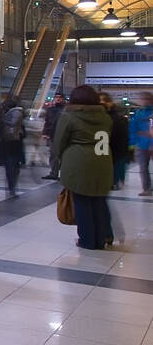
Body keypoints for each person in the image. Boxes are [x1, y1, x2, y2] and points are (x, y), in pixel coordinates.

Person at [54, 85, 114, 250]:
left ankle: (87, 240)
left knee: (81, 201)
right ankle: (101, 238)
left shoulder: (69, 117)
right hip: (103, 160)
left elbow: (59, 143)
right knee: (99, 200)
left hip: (79, 163)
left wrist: (61, 159)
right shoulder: (106, 117)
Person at [98, 92, 130, 190]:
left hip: (115, 152)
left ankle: (114, 181)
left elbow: (123, 139)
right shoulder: (96, 118)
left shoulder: (118, 119)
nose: (101, 104)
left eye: (103, 102)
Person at [0, 94, 27, 196]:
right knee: (11, 163)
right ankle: (12, 185)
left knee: (12, 163)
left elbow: (13, 123)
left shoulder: (15, 112)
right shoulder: (15, 112)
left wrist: (3, 119)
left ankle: (12, 185)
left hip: (13, 140)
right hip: (12, 140)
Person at [131, 91, 153, 196]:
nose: (142, 101)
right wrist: (133, 143)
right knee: (143, 168)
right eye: (141, 99)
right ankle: (146, 189)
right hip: (141, 145)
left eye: (145, 99)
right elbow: (133, 128)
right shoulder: (138, 112)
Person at [42, 94, 66, 179]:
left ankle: (63, 174)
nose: (58, 99)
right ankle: (53, 173)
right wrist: (45, 133)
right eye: (56, 97)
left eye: (60, 97)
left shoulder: (65, 109)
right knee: (53, 154)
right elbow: (47, 122)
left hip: (63, 135)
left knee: (63, 155)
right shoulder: (50, 110)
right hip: (53, 135)